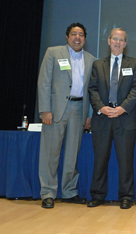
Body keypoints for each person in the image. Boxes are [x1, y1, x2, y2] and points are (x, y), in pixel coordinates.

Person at [37, 22, 96, 209]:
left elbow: (92, 90)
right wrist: (44, 109)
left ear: (85, 38)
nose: (77, 38)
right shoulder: (53, 53)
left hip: (80, 109)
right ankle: (48, 192)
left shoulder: (91, 59)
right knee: (50, 152)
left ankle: (70, 192)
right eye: (73, 34)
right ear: (67, 36)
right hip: (55, 110)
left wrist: (90, 114)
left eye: (81, 35)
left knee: (73, 154)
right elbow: (44, 82)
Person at [87, 28, 136, 209]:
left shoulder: (134, 64)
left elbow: (135, 90)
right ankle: (97, 195)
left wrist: (122, 108)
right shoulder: (97, 64)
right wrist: (101, 107)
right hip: (102, 117)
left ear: (125, 44)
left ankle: (126, 196)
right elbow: (92, 89)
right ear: (109, 41)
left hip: (125, 118)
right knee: (100, 159)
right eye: (114, 39)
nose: (118, 42)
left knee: (126, 160)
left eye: (121, 40)